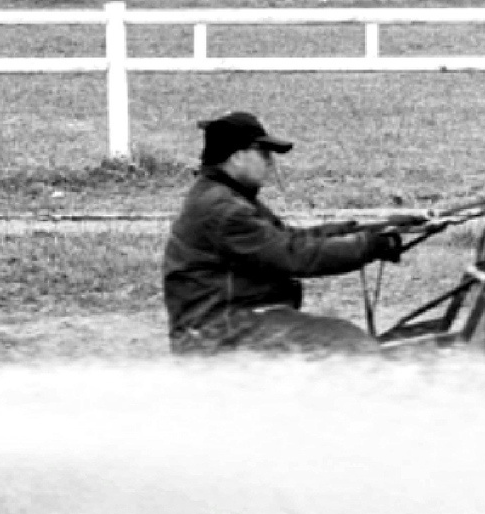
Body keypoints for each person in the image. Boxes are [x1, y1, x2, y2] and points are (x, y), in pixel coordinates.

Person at [163, 111, 406, 356]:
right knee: (346, 343)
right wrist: (369, 245)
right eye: (263, 153)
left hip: (228, 323)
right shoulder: (224, 209)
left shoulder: (224, 196)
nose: (270, 162)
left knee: (340, 335)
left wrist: (374, 229)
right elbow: (293, 256)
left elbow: (290, 239)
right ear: (237, 157)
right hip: (218, 334)